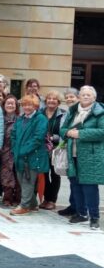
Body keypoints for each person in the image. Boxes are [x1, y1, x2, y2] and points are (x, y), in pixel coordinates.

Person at [60, 86, 103, 230]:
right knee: (75, 185)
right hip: (73, 154)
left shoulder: (100, 112)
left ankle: (95, 217)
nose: (85, 97)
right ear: (79, 97)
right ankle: (81, 213)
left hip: (91, 156)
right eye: (83, 94)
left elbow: (102, 132)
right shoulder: (72, 111)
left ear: (94, 98)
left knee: (90, 187)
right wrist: (68, 133)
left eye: (88, 95)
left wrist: (80, 134)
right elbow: (63, 129)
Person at [10, 95, 49, 216]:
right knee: (22, 181)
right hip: (19, 156)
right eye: (25, 105)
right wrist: (15, 149)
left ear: (35, 106)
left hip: (32, 156)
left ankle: (24, 206)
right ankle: (32, 204)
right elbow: (13, 135)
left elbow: (38, 138)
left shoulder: (41, 119)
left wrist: (22, 150)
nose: (27, 107)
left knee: (28, 181)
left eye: (30, 105)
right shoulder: (20, 119)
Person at [39, 90, 66, 210]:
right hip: (41, 149)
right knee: (43, 174)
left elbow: (64, 131)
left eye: (54, 99)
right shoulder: (40, 113)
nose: (51, 101)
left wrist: (53, 137)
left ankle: (52, 200)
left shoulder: (63, 114)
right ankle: (46, 198)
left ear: (58, 102)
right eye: (49, 98)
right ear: (46, 101)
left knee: (55, 175)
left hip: (56, 149)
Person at [58, 88, 79, 217]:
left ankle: (79, 207)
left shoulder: (79, 113)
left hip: (77, 150)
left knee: (78, 180)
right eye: (67, 97)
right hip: (67, 149)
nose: (69, 99)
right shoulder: (66, 113)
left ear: (78, 98)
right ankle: (73, 205)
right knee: (72, 179)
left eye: (72, 96)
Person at [0, 95, 21, 207]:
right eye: (8, 103)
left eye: (12, 103)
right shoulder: (0, 118)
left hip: (18, 150)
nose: (10, 105)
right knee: (6, 174)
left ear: (16, 106)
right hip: (5, 150)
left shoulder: (20, 119)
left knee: (18, 173)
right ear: (4, 105)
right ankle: (7, 197)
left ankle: (18, 198)